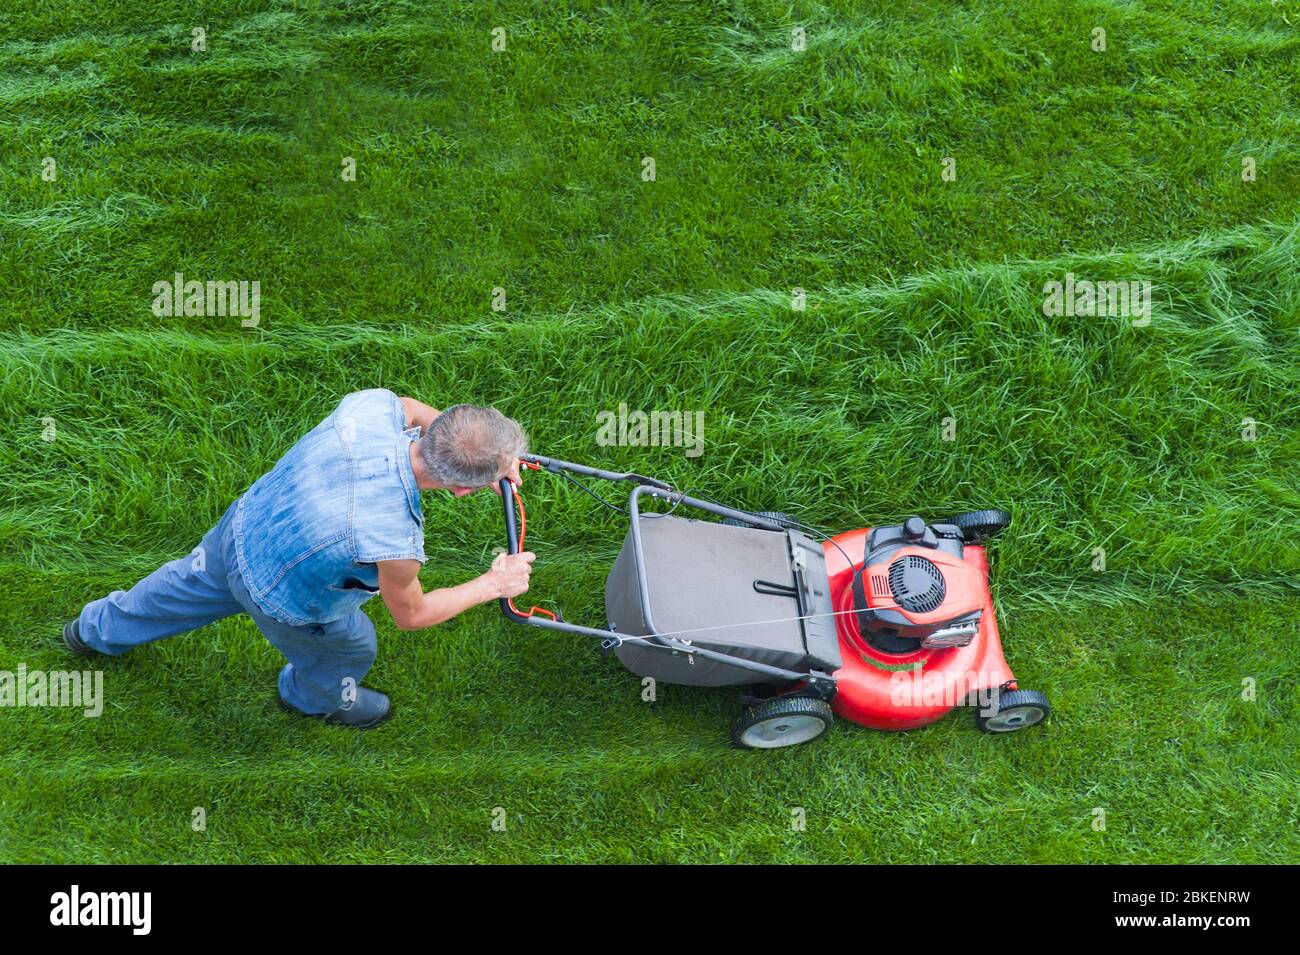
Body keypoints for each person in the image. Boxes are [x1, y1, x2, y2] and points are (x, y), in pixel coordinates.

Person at [62, 389, 536, 728]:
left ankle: (93, 629)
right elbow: (413, 615)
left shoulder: (369, 408)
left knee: (178, 588)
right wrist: (495, 583)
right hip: (287, 599)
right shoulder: (393, 538)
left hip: (244, 530)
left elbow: (412, 409)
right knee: (351, 648)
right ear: (460, 490)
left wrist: (483, 455)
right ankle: (312, 699)